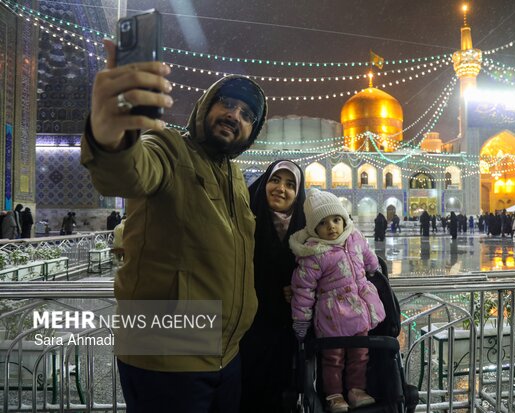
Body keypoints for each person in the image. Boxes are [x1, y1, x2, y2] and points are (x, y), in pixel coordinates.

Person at [80, 38, 267, 413]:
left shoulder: (234, 177)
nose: (234, 115)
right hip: (166, 354)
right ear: (206, 107)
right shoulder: (169, 148)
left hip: (225, 354)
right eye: (227, 104)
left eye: (247, 114)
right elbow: (127, 171)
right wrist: (112, 127)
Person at [289, 188, 386, 412]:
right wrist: (301, 320)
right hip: (333, 317)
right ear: (314, 228)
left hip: (360, 312)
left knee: (360, 355)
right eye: (323, 223)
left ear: (344, 219)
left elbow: (368, 255)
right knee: (333, 358)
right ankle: (334, 395)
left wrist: (375, 268)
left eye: (336, 220)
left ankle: (356, 390)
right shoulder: (314, 253)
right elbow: (303, 290)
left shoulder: (354, 237)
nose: (331, 226)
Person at [240, 160, 306, 413]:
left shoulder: (307, 230)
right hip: (247, 326)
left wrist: (302, 289)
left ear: (298, 193)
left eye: (290, 185)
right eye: (275, 180)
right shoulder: (243, 220)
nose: (281, 189)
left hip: (287, 331)